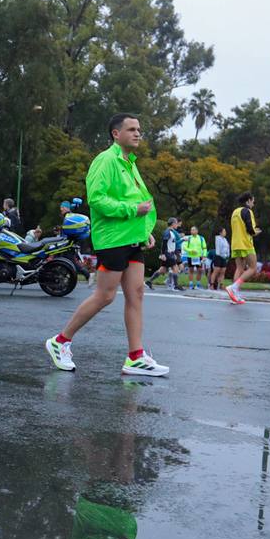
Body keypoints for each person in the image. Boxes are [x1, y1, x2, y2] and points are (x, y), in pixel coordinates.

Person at [44, 113, 168, 377]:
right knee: (105, 295)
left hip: (131, 238)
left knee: (136, 293)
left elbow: (139, 201)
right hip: (112, 239)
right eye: (132, 129)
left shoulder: (128, 163)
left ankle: (135, 357)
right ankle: (60, 341)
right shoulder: (106, 160)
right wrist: (133, 210)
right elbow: (97, 200)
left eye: (139, 130)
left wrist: (144, 231)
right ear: (116, 133)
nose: (137, 134)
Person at [227, 191, 261, 304]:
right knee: (253, 268)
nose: (253, 204)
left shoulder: (235, 212)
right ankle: (233, 287)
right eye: (253, 201)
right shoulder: (247, 211)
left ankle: (234, 295)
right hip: (245, 243)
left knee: (239, 269)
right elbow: (250, 228)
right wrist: (255, 232)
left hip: (235, 243)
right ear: (248, 200)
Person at [181, 224, 208, 290]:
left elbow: (204, 248)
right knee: (191, 270)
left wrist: (204, 255)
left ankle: (198, 284)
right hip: (191, 256)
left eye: (193, 230)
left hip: (199, 257)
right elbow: (184, 247)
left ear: (197, 231)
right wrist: (191, 250)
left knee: (200, 270)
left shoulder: (201, 238)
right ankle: (191, 284)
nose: (192, 231)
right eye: (191, 230)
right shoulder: (188, 238)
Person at [211, 227, 230, 292]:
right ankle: (212, 284)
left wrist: (227, 255)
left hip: (224, 257)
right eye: (224, 231)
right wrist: (221, 255)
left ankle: (221, 284)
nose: (225, 232)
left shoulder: (225, 239)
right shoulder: (218, 238)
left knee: (223, 271)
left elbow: (227, 247)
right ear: (220, 232)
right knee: (216, 271)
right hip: (218, 256)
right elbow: (219, 248)